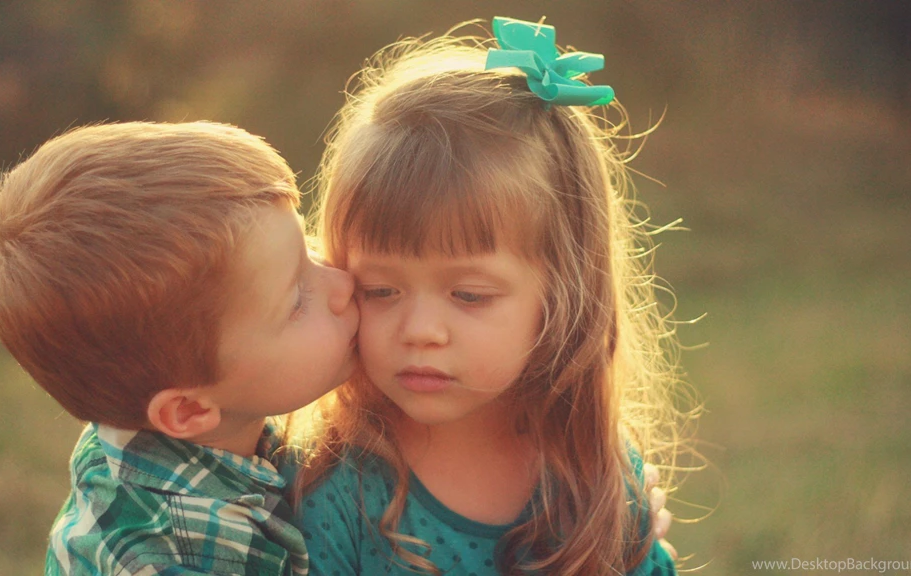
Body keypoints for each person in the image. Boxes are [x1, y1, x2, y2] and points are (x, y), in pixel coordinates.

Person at [286, 17, 693, 575]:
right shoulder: (335, 485)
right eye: (380, 289)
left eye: (470, 295)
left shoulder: (596, 477)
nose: (420, 330)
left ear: (564, 296)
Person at [0, 121, 359, 575]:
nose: (343, 282)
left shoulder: (175, 427)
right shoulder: (165, 557)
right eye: (296, 301)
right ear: (188, 411)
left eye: (307, 247)